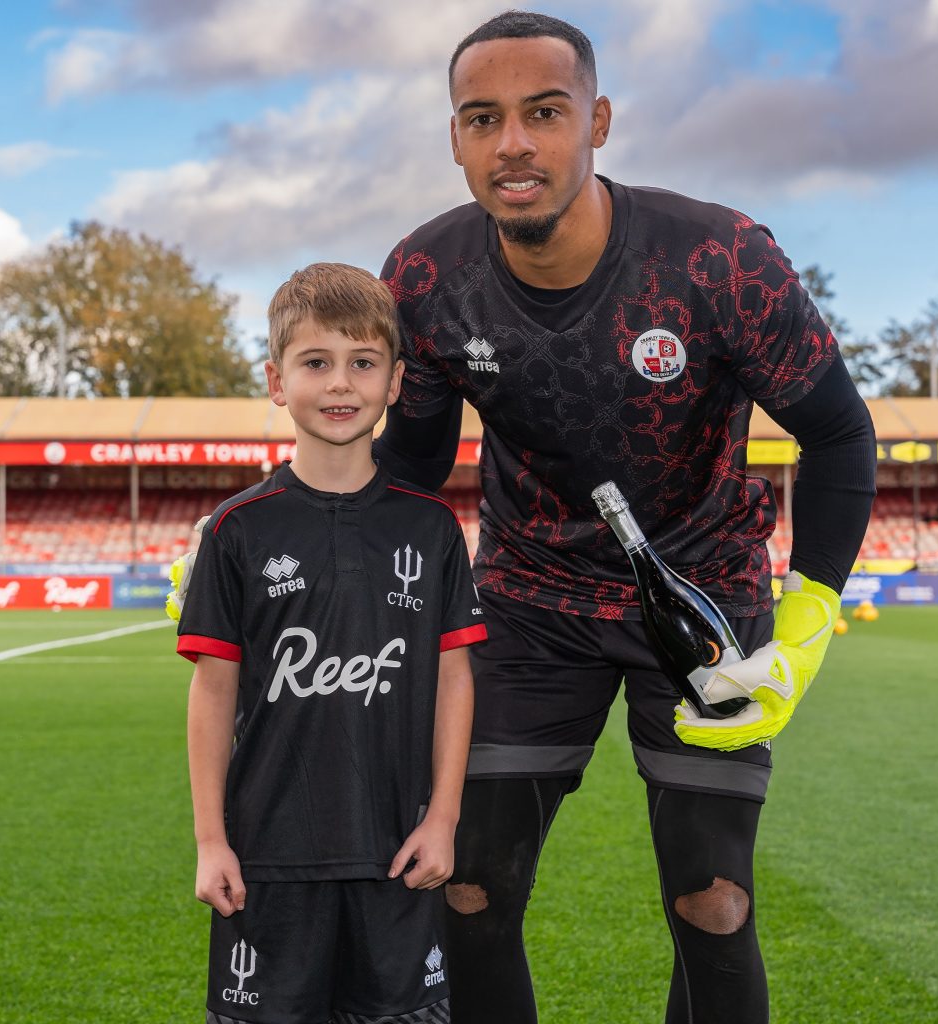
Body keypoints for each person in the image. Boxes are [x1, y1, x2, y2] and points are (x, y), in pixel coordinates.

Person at [374, 11, 877, 1024]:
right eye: (483, 118)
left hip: (704, 597)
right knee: (465, 887)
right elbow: (412, 473)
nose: (513, 141)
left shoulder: (720, 258)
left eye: (544, 112)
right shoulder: (426, 279)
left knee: (714, 902)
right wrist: (282, 522)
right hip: (524, 601)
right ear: (457, 139)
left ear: (596, 121)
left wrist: (808, 615)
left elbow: (839, 435)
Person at [177, 263, 484, 1024]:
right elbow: (213, 691)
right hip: (267, 865)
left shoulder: (431, 527)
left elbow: (453, 678)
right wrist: (211, 841)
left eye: (362, 363)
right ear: (278, 382)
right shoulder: (238, 530)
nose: (340, 384)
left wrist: (443, 819)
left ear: (395, 381)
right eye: (316, 363)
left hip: (398, 856)